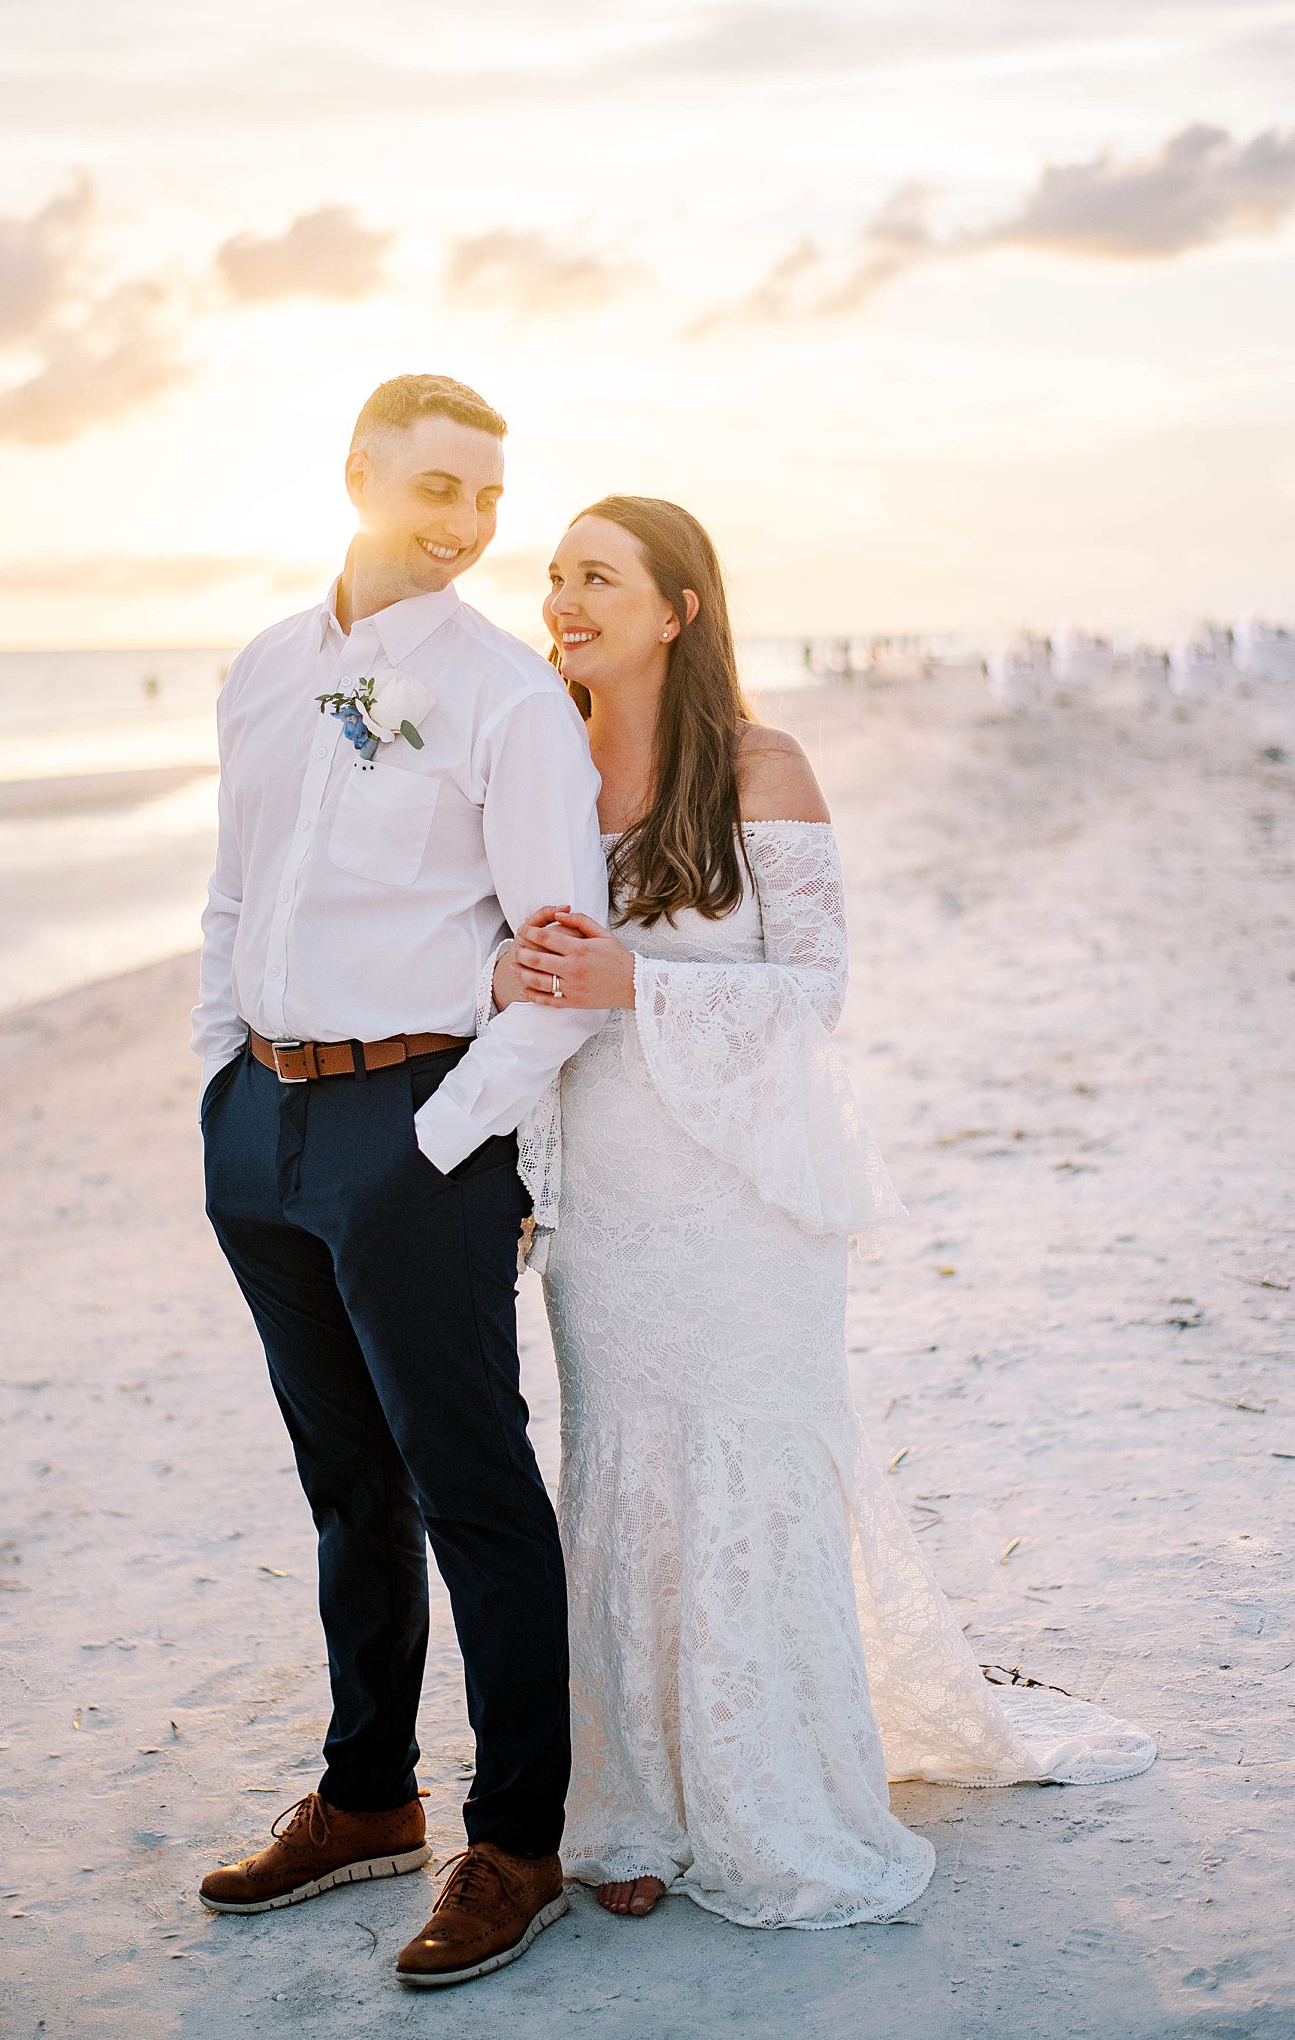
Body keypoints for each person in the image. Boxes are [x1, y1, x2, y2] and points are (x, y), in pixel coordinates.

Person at [489, 495, 1155, 1928]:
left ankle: (765, 1788)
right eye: (553, 578)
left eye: (596, 578)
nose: (564, 600)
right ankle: (639, 1805)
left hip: (742, 1195)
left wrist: (634, 987)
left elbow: (818, 988)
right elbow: (488, 948)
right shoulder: (533, 764)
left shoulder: (759, 762)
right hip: (603, 1197)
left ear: (675, 609)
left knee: (747, 1463)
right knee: (624, 1468)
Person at [191, 375, 610, 1988]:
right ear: (357, 476)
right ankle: (368, 1796)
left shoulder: (505, 695)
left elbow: (560, 962)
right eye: (437, 487)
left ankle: (516, 1842)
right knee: (343, 1485)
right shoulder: (263, 667)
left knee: (472, 1487)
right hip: (266, 1130)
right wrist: (224, 1082)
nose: (468, 524)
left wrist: (443, 1138)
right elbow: (234, 885)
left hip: (415, 1126)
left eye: (489, 498)